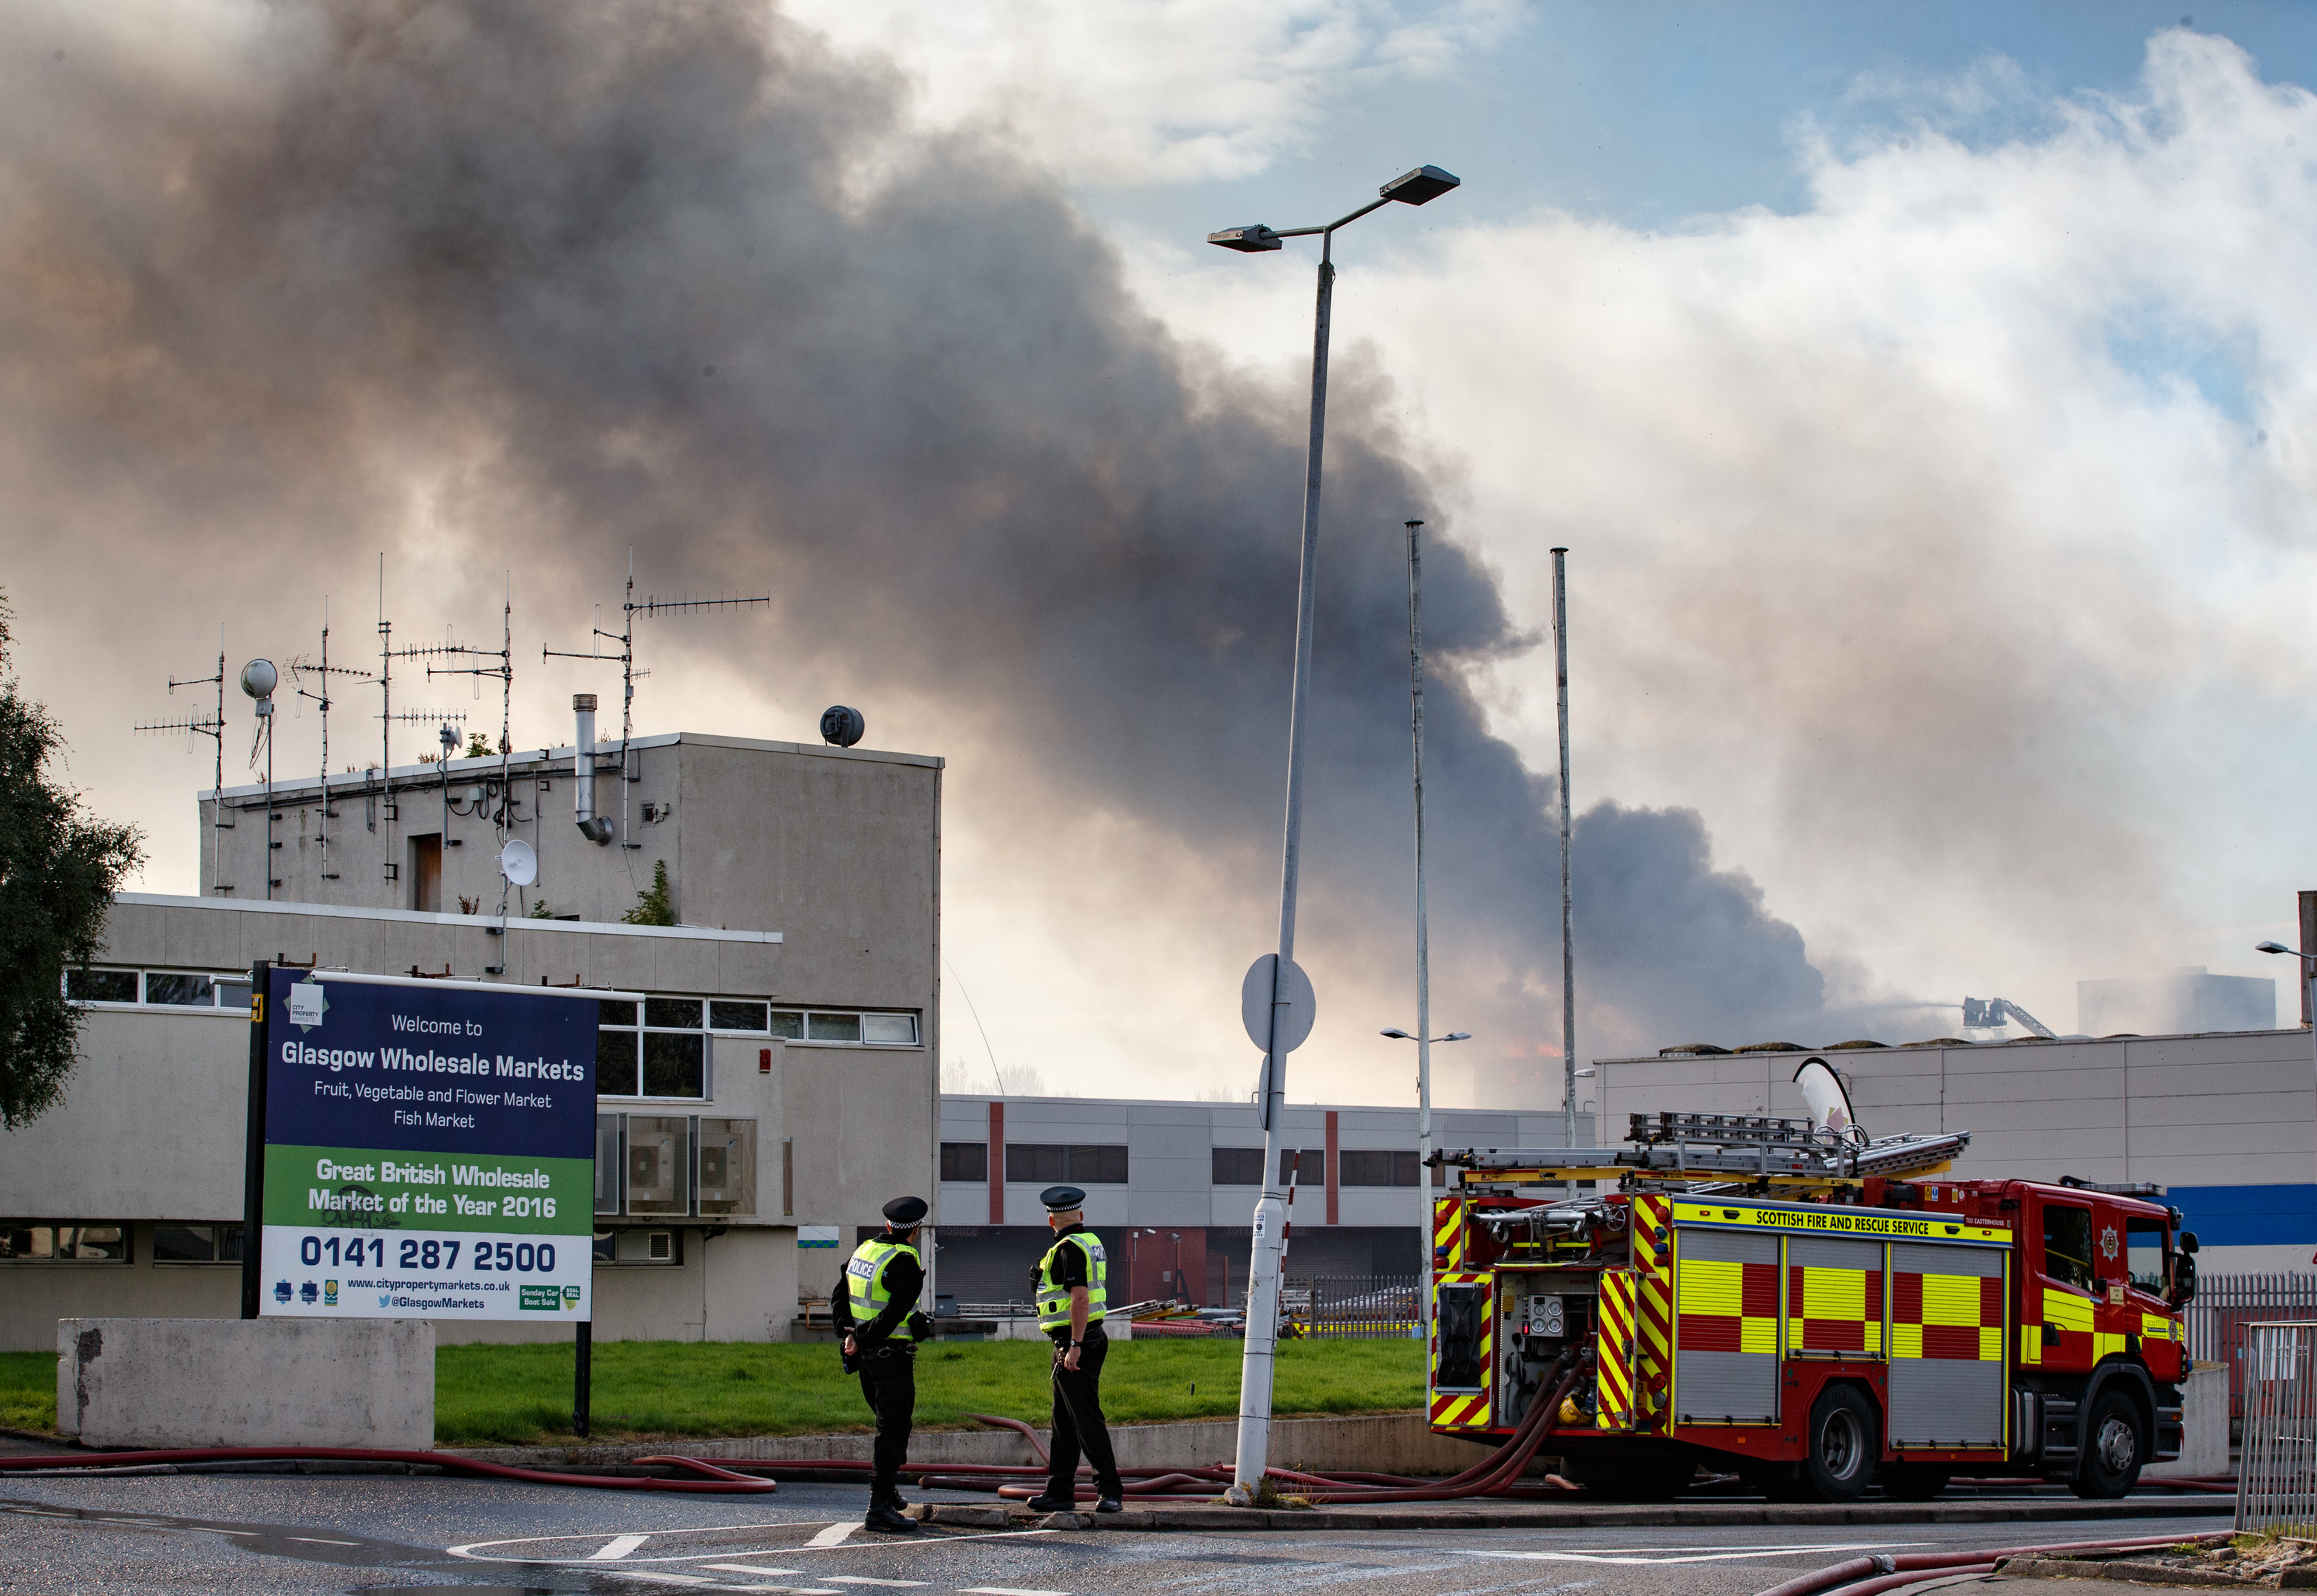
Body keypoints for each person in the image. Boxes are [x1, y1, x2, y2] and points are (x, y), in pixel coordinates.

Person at [833, 1195, 933, 1533]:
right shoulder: (905, 1260)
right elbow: (892, 1316)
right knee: (891, 1431)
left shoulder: (864, 1251)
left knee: (892, 1427)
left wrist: (847, 1333)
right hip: (891, 1358)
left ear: (887, 1225)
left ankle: (888, 1491)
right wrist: (860, 1337)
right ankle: (878, 1507)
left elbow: (839, 1295)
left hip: (866, 1360)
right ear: (914, 1230)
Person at [1021, 1184, 1124, 1514]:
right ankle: (1060, 1491)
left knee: (1085, 1420)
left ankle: (1110, 1491)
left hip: (1078, 1344)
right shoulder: (1089, 1243)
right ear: (1080, 1216)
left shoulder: (1068, 1250)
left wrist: (1075, 1346)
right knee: (1063, 1423)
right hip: (1079, 1341)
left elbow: (1079, 1298)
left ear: (1051, 1221)